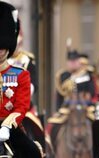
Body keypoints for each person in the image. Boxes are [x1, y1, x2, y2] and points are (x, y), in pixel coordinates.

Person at [0, 1, 42, 157]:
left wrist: (6, 126)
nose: (0, 52)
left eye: (2, 48)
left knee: (33, 153)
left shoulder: (21, 74)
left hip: (11, 127)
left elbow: (21, 106)